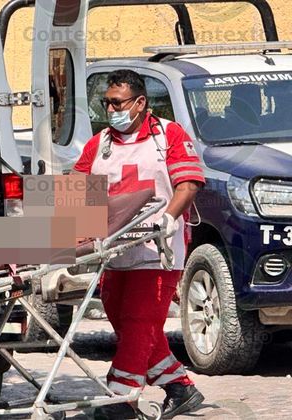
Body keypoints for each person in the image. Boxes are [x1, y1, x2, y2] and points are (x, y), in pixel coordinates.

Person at [71, 70, 206, 419]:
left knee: (137, 321)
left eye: (117, 102)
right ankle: (180, 386)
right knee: (121, 315)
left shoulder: (168, 135)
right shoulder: (99, 142)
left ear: (140, 102)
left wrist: (168, 217)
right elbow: (75, 187)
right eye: (106, 103)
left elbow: (188, 184)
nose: (110, 109)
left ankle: (121, 398)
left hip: (157, 248)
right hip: (115, 247)